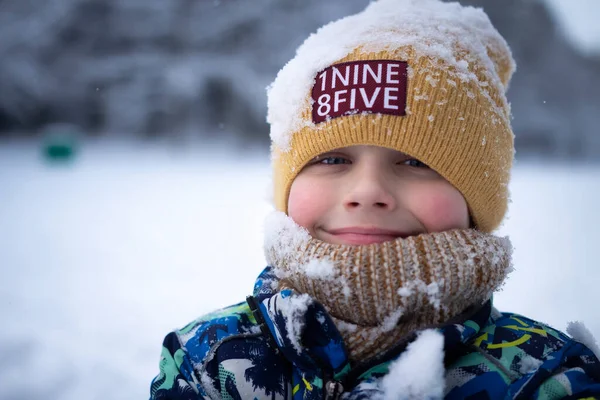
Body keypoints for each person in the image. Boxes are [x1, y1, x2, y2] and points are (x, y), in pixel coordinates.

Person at [149, 0, 600, 398]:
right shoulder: (207, 361)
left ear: (477, 198)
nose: (367, 191)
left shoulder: (547, 375)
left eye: (416, 162)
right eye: (331, 158)